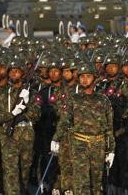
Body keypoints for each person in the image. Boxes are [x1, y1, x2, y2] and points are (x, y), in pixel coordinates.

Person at [51, 63, 115, 195]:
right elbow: (65, 120)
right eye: (82, 76)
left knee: (97, 184)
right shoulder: (73, 99)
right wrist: (56, 138)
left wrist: (111, 149)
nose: (84, 79)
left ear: (94, 78)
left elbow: (109, 127)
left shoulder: (103, 100)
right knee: (81, 182)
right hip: (79, 144)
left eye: (88, 76)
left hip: (99, 144)